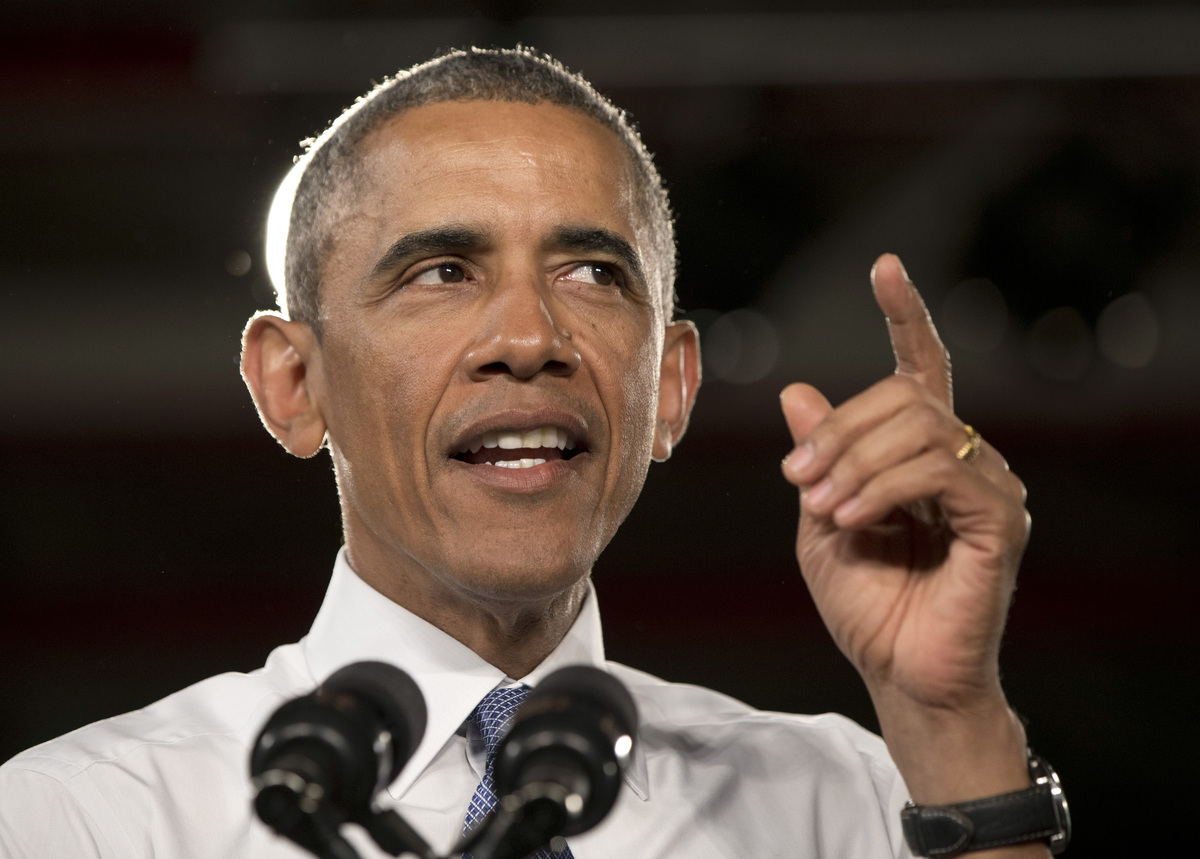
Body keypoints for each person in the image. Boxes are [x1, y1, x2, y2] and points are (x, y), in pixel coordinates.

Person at [0, 48, 1066, 858]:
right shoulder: (81, 821)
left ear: (670, 387)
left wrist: (951, 718)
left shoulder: (852, 803)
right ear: (292, 383)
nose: (529, 338)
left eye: (593, 274)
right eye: (442, 271)